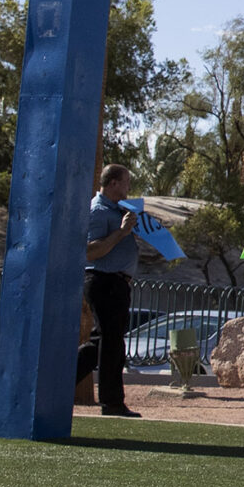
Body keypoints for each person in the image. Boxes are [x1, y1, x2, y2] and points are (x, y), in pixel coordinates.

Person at [79, 164, 144, 419]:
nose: (129, 187)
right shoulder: (98, 211)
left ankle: (60, 380)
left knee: (102, 342)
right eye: (126, 182)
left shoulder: (120, 210)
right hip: (103, 280)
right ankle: (112, 402)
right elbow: (91, 251)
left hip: (117, 284)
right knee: (111, 343)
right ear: (114, 183)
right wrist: (122, 232)